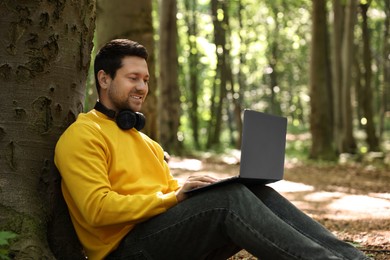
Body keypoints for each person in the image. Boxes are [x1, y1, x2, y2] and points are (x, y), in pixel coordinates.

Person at [54, 39, 369, 260]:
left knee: (251, 190)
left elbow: (161, 195)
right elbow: (97, 210)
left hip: (158, 237)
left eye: (146, 79)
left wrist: (193, 189)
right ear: (104, 79)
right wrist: (175, 197)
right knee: (228, 200)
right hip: (124, 251)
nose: (142, 87)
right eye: (132, 78)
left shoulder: (144, 141)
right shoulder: (83, 135)